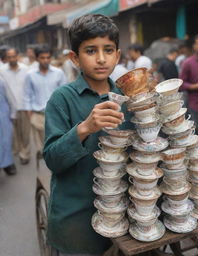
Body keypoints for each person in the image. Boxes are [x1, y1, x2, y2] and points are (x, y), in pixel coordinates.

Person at [43, 14, 132, 255]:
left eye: (108, 50)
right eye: (91, 51)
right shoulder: (62, 98)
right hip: (78, 214)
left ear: (118, 55)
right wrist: (85, 128)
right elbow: (52, 159)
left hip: (125, 212)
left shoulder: (129, 97)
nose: (101, 59)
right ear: (75, 58)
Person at [24, 45, 66, 161]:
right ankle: (46, 160)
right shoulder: (30, 75)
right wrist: (29, 114)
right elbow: (27, 95)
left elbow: (64, 94)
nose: (46, 60)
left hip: (56, 114)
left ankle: (55, 163)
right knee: (42, 144)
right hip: (38, 114)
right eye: (42, 58)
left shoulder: (59, 73)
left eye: (48, 57)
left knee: (56, 141)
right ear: (37, 58)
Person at [0, 48, 30, 165]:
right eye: (9, 57)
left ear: (18, 56)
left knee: (25, 133)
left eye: (14, 56)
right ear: (6, 58)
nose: (12, 59)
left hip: (24, 106)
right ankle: (16, 151)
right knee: (13, 133)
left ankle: (25, 153)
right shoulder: (2, 71)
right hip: (8, 108)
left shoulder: (26, 70)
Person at [0, 77, 17, 175]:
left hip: (3, 117)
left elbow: (10, 98)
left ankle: (7, 164)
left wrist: (13, 114)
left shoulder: (1, 81)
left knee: (6, 141)